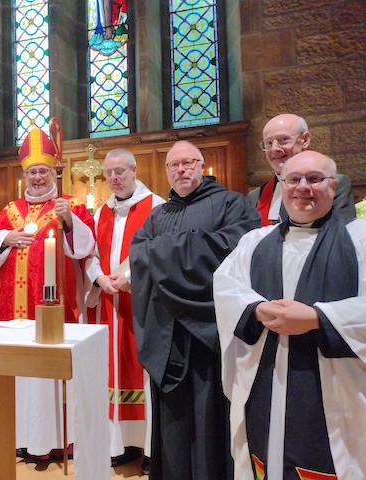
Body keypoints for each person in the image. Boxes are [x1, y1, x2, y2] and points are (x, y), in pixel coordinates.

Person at [214, 151, 366, 479]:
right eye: (294, 179)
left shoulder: (360, 239)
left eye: (315, 179)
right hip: (265, 378)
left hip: (335, 388)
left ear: (334, 185)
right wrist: (255, 308)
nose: (303, 187)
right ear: (282, 185)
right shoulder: (255, 241)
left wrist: (319, 318)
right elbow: (225, 285)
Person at [130, 140, 261, 479]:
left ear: (203, 166)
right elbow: (139, 254)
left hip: (209, 333)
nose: (181, 170)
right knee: (173, 427)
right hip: (167, 336)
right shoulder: (158, 215)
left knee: (213, 419)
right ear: (166, 171)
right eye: (174, 165)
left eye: (188, 163)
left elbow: (235, 250)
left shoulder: (232, 204)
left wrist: (167, 250)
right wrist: (188, 246)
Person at [0, 127, 95, 458]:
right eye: (32, 172)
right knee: (18, 371)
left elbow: (86, 247)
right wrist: (5, 239)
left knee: (50, 370)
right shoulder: (9, 210)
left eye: (43, 171)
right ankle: (21, 437)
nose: (37, 177)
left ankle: (57, 439)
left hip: (54, 306)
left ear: (52, 173)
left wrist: (70, 221)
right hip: (13, 310)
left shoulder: (70, 205)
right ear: (24, 175)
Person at [85, 148, 165, 473]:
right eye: (109, 173)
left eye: (120, 171)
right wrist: (99, 278)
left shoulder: (156, 207)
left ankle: (150, 448)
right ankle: (119, 444)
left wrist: (130, 277)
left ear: (134, 170)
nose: (114, 178)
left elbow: (162, 253)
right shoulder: (101, 213)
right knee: (113, 371)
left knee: (142, 371)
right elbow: (90, 255)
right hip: (110, 304)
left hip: (143, 304)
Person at [248, 113, 355, 225]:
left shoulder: (332, 184)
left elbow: (341, 230)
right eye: (269, 143)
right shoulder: (255, 197)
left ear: (305, 140)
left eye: (283, 139)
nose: (274, 148)